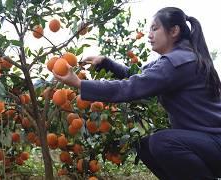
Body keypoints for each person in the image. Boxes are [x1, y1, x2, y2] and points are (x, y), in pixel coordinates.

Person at [53, 7, 221, 180]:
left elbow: (129, 87)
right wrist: (106, 63)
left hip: (215, 142)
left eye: (155, 28)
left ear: (174, 31)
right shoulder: (181, 58)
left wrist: (79, 83)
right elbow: (137, 75)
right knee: (145, 147)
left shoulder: (176, 63)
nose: (149, 35)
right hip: (206, 143)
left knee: (162, 142)